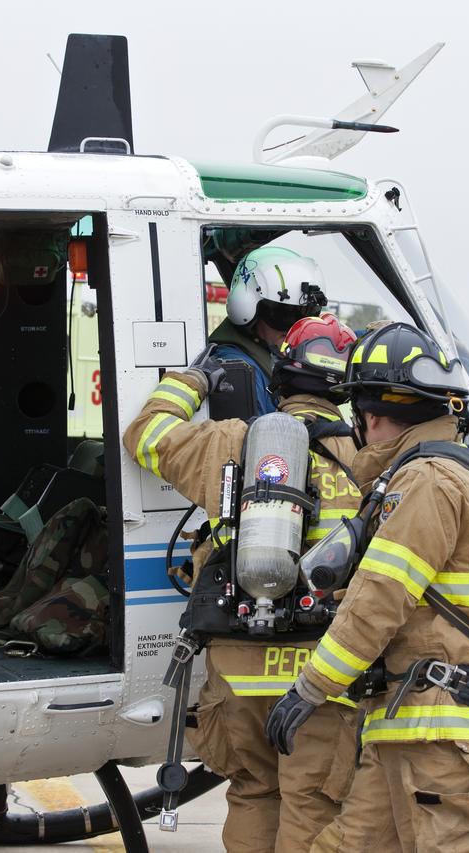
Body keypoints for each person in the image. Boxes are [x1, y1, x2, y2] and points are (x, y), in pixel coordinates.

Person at [265, 322, 469, 853]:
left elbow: (380, 597)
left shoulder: (427, 482)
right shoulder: (447, 475)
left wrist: (311, 686)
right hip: (405, 724)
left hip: (439, 735)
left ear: (372, 416)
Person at [124, 314, 362, 853]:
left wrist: (192, 381)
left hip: (237, 667)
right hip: (320, 675)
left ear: (280, 376)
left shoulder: (233, 442)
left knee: (254, 792)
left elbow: (145, 435)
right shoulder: (369, 462)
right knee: (313, 800)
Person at [208, 246, 328, 416]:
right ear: (247, 307)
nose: (295, 329)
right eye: (284, 314)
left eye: (305, 316)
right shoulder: (239, 370)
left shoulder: (268, 353)